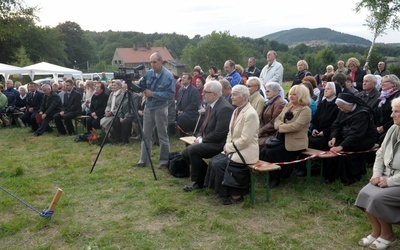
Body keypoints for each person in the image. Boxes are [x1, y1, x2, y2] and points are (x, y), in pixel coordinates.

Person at [354, 96, 400, 250]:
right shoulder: (393, 128)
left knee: (378, 198)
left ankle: (388, 236)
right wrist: (376, 174)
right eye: (393, 111)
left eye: (396, 112)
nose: (391, 115)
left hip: (396, 181)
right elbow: (380, 153)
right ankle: (376, 232)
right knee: (365, 193)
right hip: (386, 176)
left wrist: (390, 181)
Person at [205, 85, 259, 205]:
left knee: (224, 164)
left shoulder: (250, 114)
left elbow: (246, 140)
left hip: (247, 150)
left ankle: (237, 195)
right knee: (215, 161)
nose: (231, 96)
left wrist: (229, 148)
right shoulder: (236, 110)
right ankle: (223, 191)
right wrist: (227, 146)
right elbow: (230, 132)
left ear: (243, 96)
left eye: (234, 94)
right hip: (235, 147)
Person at [182, 80, 234, 192]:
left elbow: (220, 133)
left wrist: (202, 141)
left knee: (193, 150)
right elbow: (203, 126)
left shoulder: (224, 108)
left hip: (219, 144)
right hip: (210, 140)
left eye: (205, 92)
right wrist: (200, 137)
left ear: (214, 94)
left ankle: (199, 182)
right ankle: (206, 175)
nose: (202, 94)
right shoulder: (212, 105)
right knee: (186, 152)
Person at [260, 84, 311, 187]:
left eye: (294, 94)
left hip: (295, 143)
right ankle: (269, 174)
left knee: (272, 152)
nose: (291, 96)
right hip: (281, 139)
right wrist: (280, 125)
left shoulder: (305, 110)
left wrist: (280, 127)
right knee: (264, 151)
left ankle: (276, 178)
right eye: (290, 94)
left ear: (302, 96)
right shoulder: (288, 106)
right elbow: (277, 120)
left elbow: (295, 127)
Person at [135, 52, 175, 168]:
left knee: (162, 135)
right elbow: (141, 85)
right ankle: (144, 160)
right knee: (145, 134)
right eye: (150, 62)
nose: (152, 64)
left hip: (160, 108)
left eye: (154, 62)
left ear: (161, 62)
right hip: (148, 107)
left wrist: (153, 94)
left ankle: (163, 161)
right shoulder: (149, 74)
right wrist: (134, 84)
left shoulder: (168, 76)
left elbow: (170, 94)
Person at [325, 93, 377, 184]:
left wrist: (341, 146)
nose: (340, 109)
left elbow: (356, 134)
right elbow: (336, 125)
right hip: (346, 136)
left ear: (349, 104)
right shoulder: (343, 110)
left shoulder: (362, 114)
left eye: (341, 107)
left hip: (363, 139)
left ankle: (350, 177)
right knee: (334, 147)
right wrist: (333, 137)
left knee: (344, 149)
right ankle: (332, 176)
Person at [309, 82, 342, 150]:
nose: (325, 90)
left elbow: (337, 123)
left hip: (330, 135)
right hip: (318, 133)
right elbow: (316, 118)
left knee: (319, 142)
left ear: (335, 91)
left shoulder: (338, 105)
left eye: (328, 89)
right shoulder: (322, 103)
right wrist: (315, 129)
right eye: (325, 88)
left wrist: (324, 132)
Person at [258, 82, 286, 146]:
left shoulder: (280, 104)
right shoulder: (270, 102)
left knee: (255, 144)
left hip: (273, 135)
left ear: (275, 92)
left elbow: (274, 123)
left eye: (268, 91)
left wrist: (260, 131)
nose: (265, 92)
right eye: (265, 90)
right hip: (265, 133)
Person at [375, 74, 400, 145]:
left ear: (394, 84)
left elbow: (396, 115)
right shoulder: (382, 97)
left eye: (385, 82)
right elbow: (376, 113)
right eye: (381, 82)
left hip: (392, 129)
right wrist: (377, 127)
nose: (382, 84)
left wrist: (384, 127)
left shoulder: (397, 96)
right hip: (379, 130)